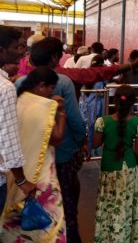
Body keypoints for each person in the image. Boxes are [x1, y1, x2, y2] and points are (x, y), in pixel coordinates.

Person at [18, 37, 86, 243]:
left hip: (29, 158)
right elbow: (75, 120)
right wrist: (83, 140)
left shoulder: (19, 83)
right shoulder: (62, 82)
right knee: (66, 202)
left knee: (38, 202)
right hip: (62, 154)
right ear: (55, 57)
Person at [2, 67, 67, 242]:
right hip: (41, 173)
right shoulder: (44, 107)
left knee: (16, 220)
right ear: (41, 86)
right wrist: (60, 113)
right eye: (51, 88)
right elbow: (57, 137)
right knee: (50, 219)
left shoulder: (19, 99)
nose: (52, 92)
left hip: (16, 172)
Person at [92, 85, 138, 243]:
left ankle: (107, 237)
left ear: (114, 102)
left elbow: (95, 144)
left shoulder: (102, 121)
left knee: (108, 203)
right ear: (133, 103)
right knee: (126, 205)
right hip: (128, 169)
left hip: (108, 166)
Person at [0, 26, 35, 214]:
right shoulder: (5, 88)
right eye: (16, 48)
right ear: (1, 51)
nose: (21, 53)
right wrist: (22, 180)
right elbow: (8, 140)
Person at [79, 54, 106, 156]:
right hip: (97, 104)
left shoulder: (86, 73)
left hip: (86, 104)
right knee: (96, 127)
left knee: (87, 127)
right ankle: (94, 149)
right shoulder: (101, 75)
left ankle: (87, 149)